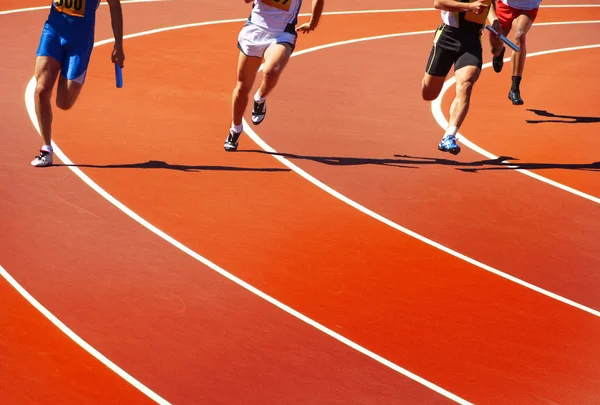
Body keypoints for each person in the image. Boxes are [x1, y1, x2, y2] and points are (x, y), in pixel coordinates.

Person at [31, 0, 125, 167]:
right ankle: (46, 149)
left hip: (80, 41)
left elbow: (115, 5)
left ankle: (72, 71)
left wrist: (118, 44)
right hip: (52, 32)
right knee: (41, 90)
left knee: (64, 102)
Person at [224, 0, 325, 152]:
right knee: (242, 87)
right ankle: (235, 129)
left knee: (271, 70)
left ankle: (260, 97)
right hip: (254, 30)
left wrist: (313, 22)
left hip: (281, 34)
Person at [422, 0, 502, 155]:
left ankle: (449, 135)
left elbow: (488, 4)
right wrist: (469, 7)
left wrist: (494, 21)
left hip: (471, 42)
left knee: (466, 84)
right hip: (447, 37)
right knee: (429, 93)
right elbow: (438, 3)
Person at [490, 0, 542, 105]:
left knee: (520, 35)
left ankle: (514, 88)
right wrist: (493, 17)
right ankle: (498, 54)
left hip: (528, 7)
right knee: (495, 47)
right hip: (504, 6)